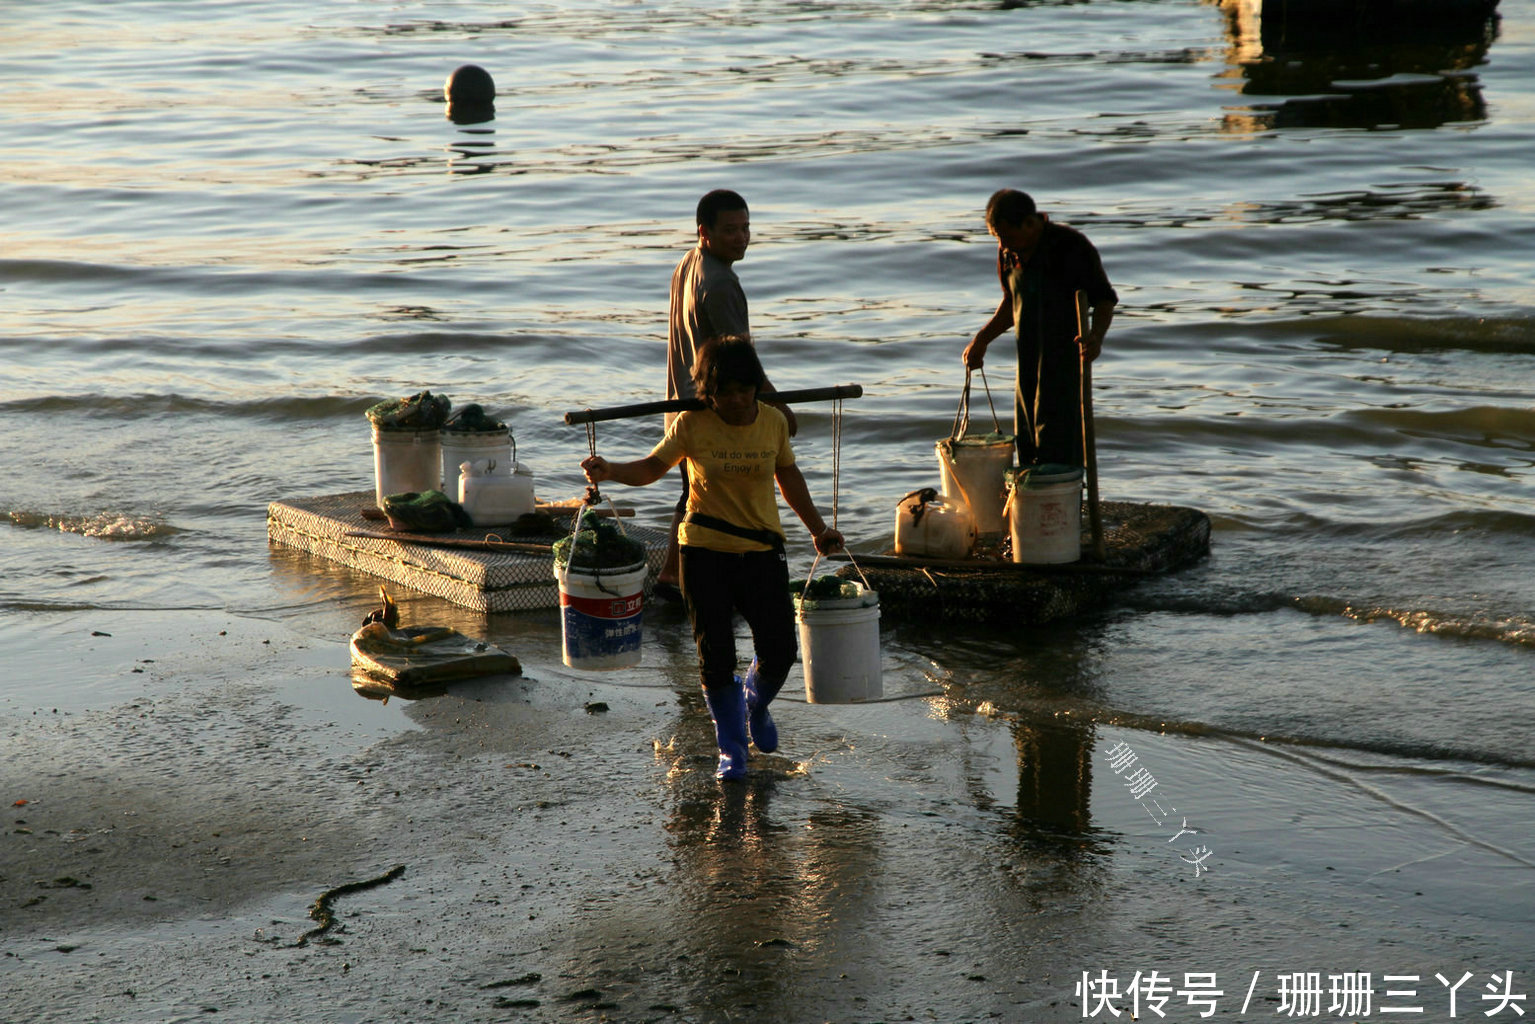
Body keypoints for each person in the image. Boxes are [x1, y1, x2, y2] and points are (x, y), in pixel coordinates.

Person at [582, 338, 842, 781]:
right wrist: (611, 472)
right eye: (726, 392)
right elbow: (650, 469)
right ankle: (731, 751)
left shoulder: (774, 422)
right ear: (708, 392)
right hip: (703, 552)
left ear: (758, 386)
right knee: (715, 657)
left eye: (746, 389)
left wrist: (819, 529)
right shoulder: (691, 424)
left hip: (761, 550)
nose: (738, 400)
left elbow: (789, 476)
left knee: (780, 650)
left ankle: (753, 705)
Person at [658, 189, 795, 602]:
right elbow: (741, 361)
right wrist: (776, 406)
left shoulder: (689, 262)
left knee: (693, 492)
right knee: (704, 497)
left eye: (746, 228)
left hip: (683, 401)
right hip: (715, 406)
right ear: (705, 232)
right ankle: (688, 578)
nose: (741, 238)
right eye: (730, 230)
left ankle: (671, 576)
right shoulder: (721, 284)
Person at [962, 189, 1117, 468]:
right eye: (998, 238)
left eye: (1007, 237)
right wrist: (982, 340)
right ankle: (1032, 505)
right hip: (1028, 361)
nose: (1004, 245)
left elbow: (1104, 299)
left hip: (1065, 360)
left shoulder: (1071, 247)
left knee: (1059, 442)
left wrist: (1095, 338)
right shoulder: (1009, 253)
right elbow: (1011, 303)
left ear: (1031, 224)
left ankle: (1063, 505)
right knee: (1027, 440)